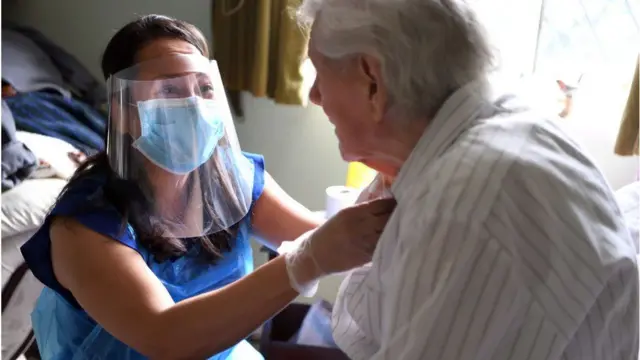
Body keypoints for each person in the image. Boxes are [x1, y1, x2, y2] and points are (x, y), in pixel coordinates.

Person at [20, 14, 396, 360]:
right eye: (168, 91)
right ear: (124, 112)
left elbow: (325, 238)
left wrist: (387, 174)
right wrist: (308, 260)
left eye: (203, 88)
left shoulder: (235, 178)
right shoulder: (84, 224)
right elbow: (164, 336)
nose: (193, 105)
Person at [297, 0, 639, 359]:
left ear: (372, 82)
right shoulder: (501, 125)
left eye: (320, 73)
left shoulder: (465, 207)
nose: (315, 95)